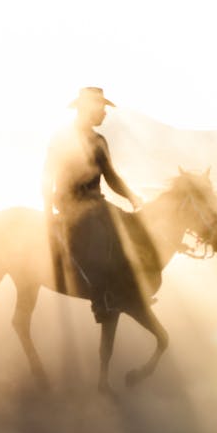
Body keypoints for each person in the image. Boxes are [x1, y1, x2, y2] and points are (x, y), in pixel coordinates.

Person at [42, 87, 142, 321]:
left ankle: (124, 291)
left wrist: (131, 197)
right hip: (72, 206)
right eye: (101, 108)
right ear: (88, 109)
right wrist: (48, 211)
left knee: (129, 230)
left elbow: (111, 176)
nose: (105, 113)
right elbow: (47, 174)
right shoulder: (62, 138)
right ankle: (101, 301)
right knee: (99, 240)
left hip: (96, 204)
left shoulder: (99, 141)